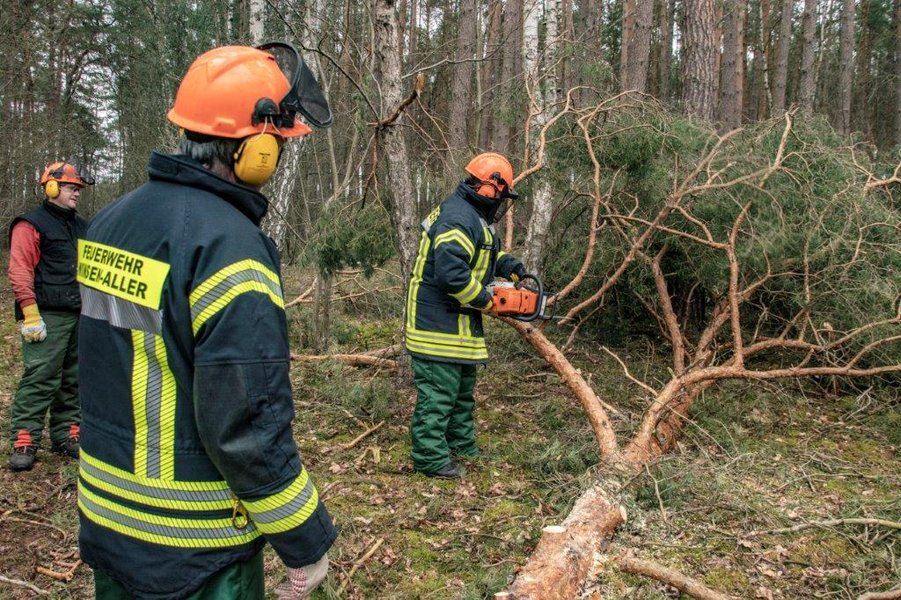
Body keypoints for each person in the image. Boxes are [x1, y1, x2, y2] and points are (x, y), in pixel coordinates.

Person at [76, 43, 336, 599]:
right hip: (195, 549)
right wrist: (304, 542)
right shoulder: (230, 247)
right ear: (255, 149)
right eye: (277, 144)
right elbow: (246, 423)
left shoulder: (108, 222)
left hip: (106, 517)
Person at [405, 152, 527, 478]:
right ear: (490, 187)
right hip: (436, 327)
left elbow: (484, 252)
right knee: (438, 398)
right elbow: (452, 273)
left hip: (456, 326)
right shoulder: (458, 217)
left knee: (461, 396)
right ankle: (430, 460)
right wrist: (487, 301)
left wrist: (511, 266)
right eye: (500, 195)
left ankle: (462, 447)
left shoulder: (473, 217)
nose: (500, 202)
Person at [7, 161, 93, 471]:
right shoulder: (30, 224)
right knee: (41, 377)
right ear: (52, 187)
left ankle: (67, 432)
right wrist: (30, 312)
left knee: (73, 377)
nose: (76, 194)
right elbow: (19, 268)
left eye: (78, 189)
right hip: (47, 314)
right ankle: (24, 436)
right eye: (71, 188)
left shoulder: (82, 226)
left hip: (79, 311)